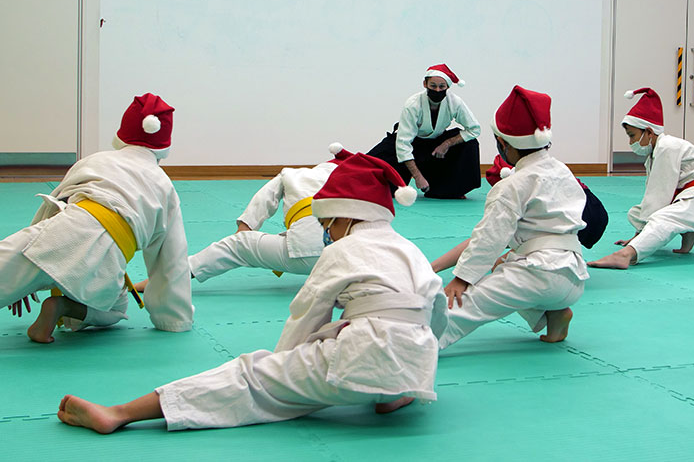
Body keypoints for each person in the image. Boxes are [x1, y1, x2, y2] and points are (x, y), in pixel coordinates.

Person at [57, 153, 448, 434]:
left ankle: (120, 413)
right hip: (418, 362)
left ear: (346, 215)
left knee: (249, 377)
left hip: (364, 355)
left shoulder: (342, 249)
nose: (327, 230)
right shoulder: (409, 249)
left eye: (327, 222)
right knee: (368, 329)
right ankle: (393, 391)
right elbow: (438, 307)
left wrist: (279, 366)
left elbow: (307, 312)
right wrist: (422, 353)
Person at [0, 93, 193, 343]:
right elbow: (171, 260)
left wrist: (25, 270)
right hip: (107, 260)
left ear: (123, 134)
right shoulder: (164, 186)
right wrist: (174, 318)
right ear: (163, 146)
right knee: (116, 310)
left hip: (65, 230)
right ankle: (60, 307)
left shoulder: (97, 160)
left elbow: (56, 204)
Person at [438, 85, 588, 348]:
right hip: (574, 277)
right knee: (503, 264)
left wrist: (461, 279)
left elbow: (489, 238)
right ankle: (553, 314)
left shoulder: (511, 185)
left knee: (462, 307)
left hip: (537, 277)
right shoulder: (562, 171)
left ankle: (408, 345)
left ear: (503, 143)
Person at [135, 144, 353, 293]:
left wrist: (244, 230)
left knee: (237, 246)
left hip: (301, 251)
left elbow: (264, 199)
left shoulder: (293, 173)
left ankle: (164, 278)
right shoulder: (354, 177)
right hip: (347, 259)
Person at [588, 87, 694, 269]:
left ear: (648, 131)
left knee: (661, 219)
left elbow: (659, 195)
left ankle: (626, 255)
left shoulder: (667, 147)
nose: (631, 142)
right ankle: (690, 233)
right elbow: (652, 195)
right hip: (685, 196)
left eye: (632, 136)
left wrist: (638, 240)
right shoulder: (654, 153)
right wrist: (639, 233)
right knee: (636, 213)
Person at [431, 154, 609, 272]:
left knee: (500, 261)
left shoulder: (519, 186)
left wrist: (438, 269)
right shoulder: (544, 164)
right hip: (593, 209)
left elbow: (482, 239)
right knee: (504, 252)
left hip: (578, 215)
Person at [367, 64, 481, 199]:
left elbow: (474, 129)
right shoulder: (413, 104)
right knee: (373, 173)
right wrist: (418, 177)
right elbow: (403, 144)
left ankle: (449, 190)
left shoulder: (455, 102)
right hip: (409, 144)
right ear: (425, 84)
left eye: (442, 87)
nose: (437, 90)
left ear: (447, 87)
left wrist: (447, 143)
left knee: (470, 144)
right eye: (433, 86)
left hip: (435, 146)